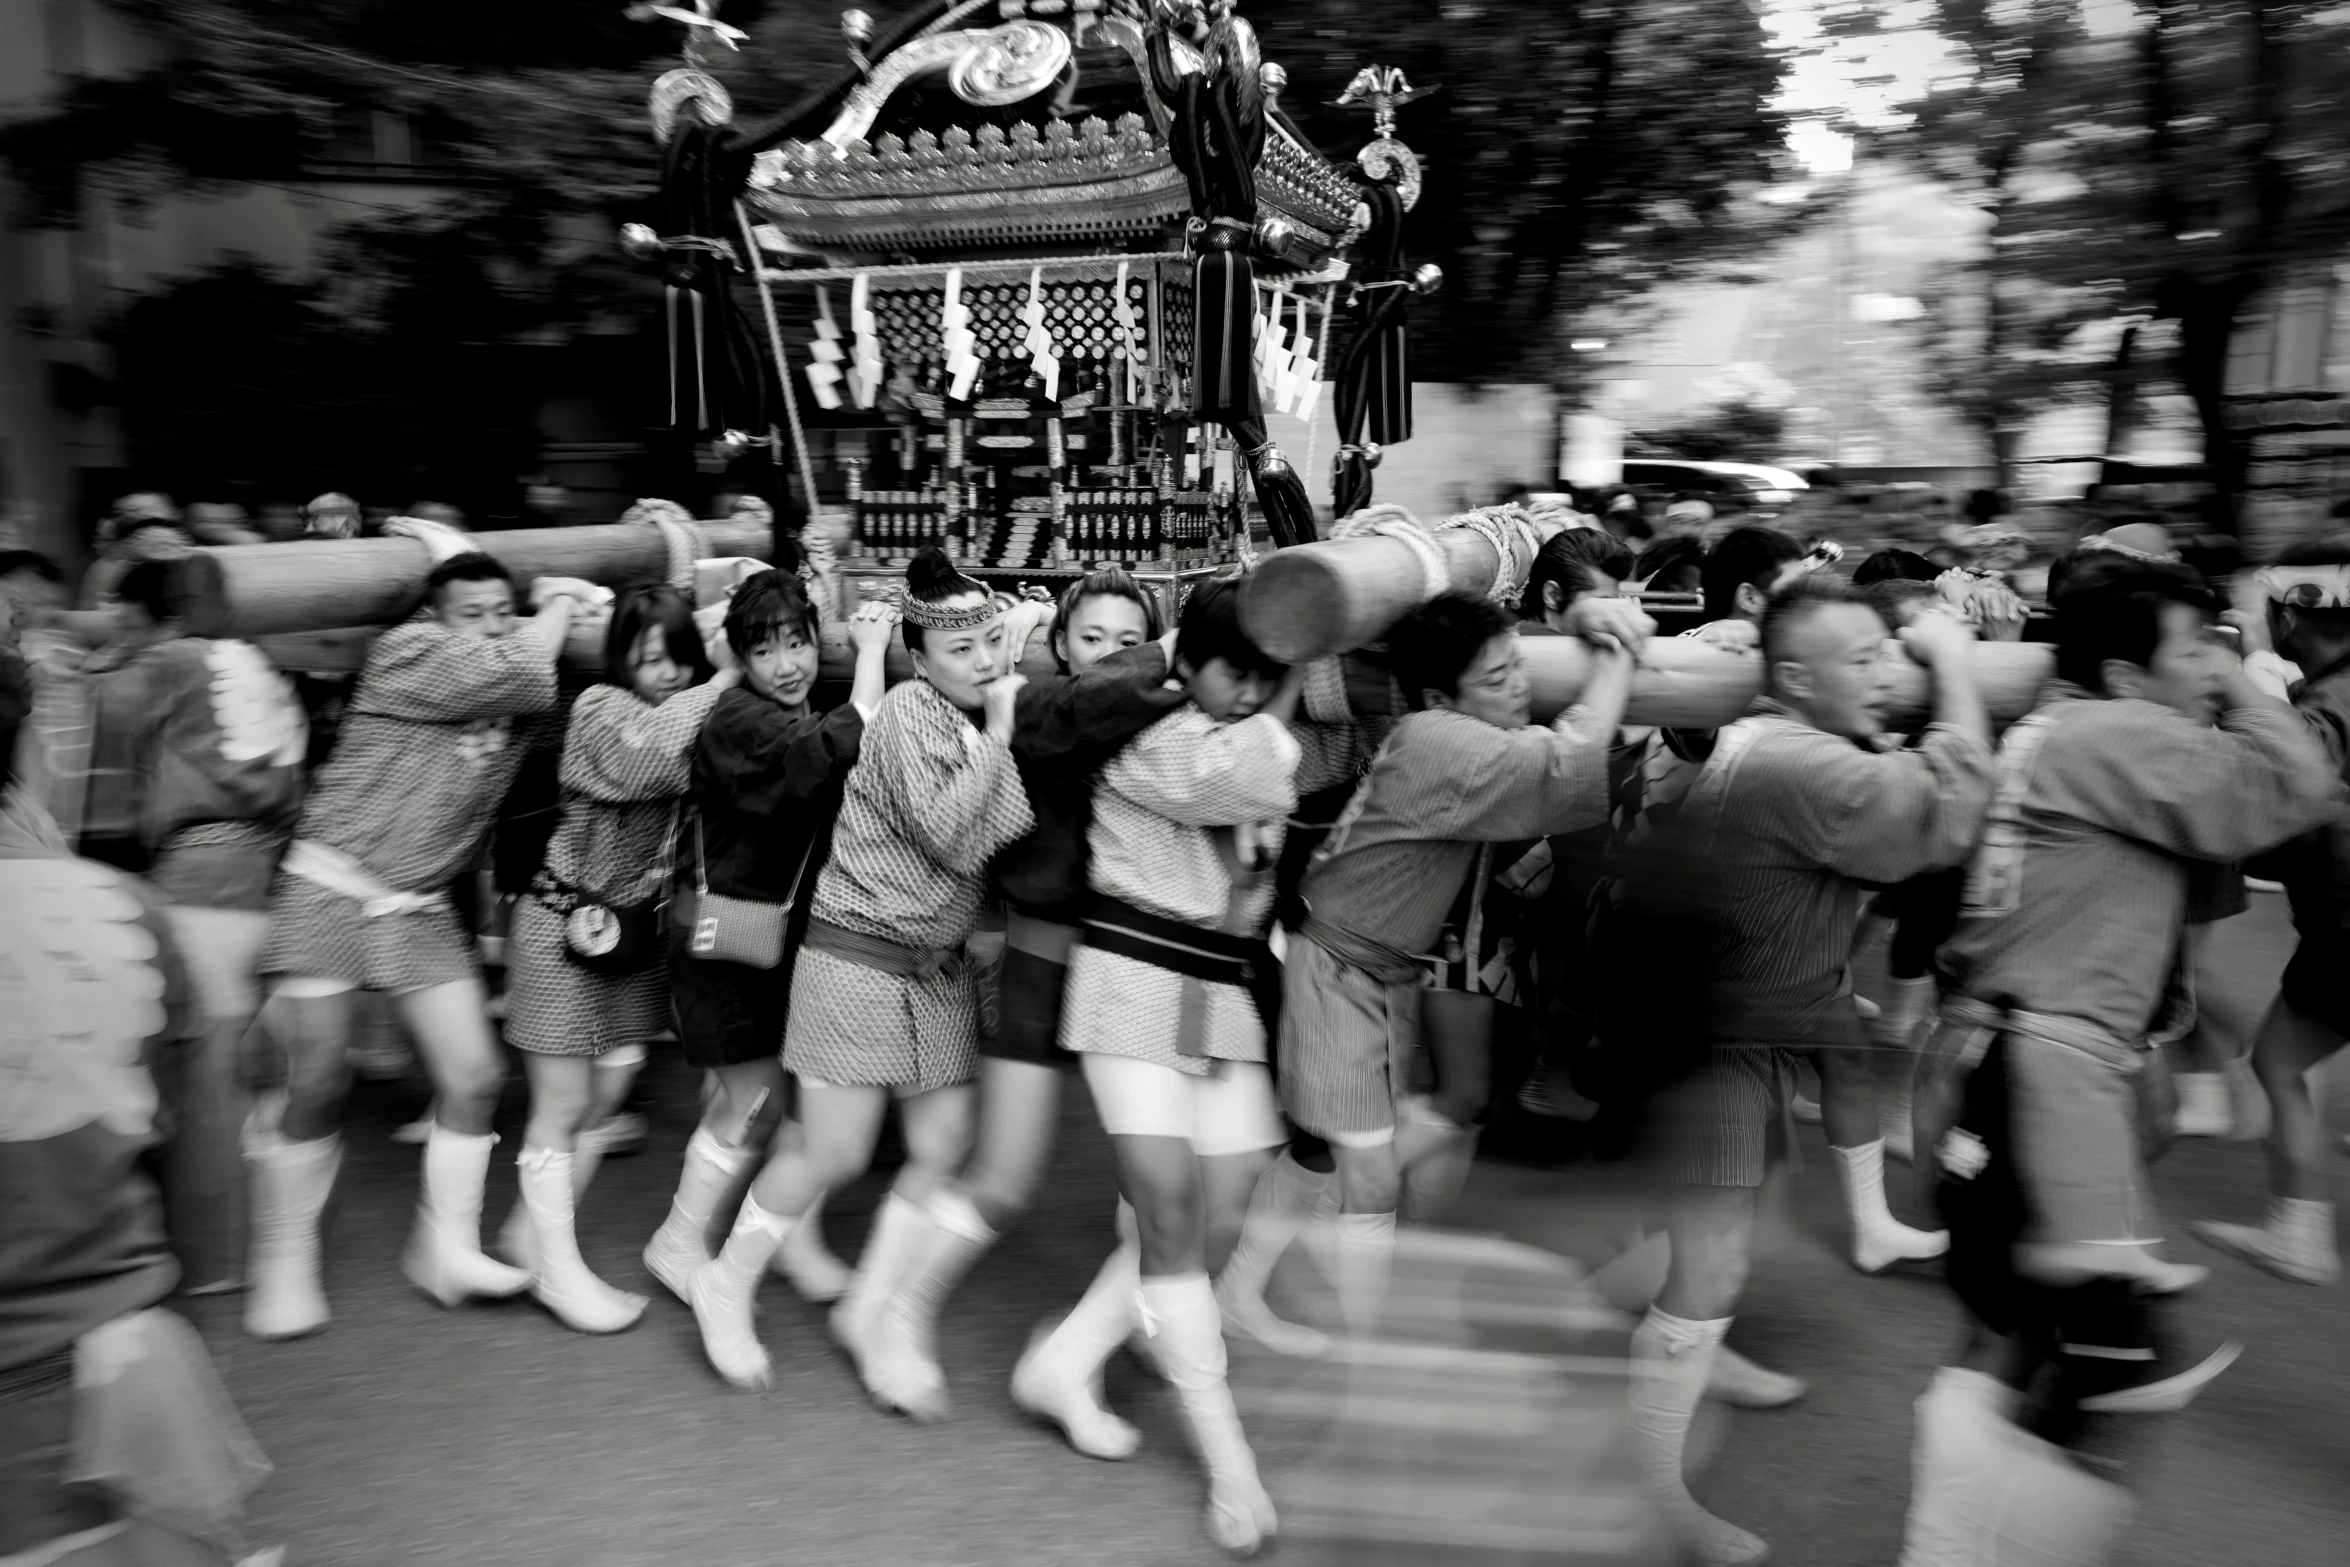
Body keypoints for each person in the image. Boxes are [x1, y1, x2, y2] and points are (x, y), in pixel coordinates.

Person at [1901, 557, 2340, 1565]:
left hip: (2008, 1060)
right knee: (2118, 1368)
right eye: (2192, 650)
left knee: (2012, 1338)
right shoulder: (2117, 730)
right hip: (2033, 1070)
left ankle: (1949, 1545)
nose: (2212, 664)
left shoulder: (2067, 729)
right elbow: (2294, 789)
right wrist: (2247, 685)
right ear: (2122, 671)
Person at [1634, 578, 1994, 1567]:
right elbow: (1945, 809)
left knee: (1725, 1230)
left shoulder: (1771, 734)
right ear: (1792, 676)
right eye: (1863, 660)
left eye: (1892, 653)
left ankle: (1679, 1337)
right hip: (1714, 1040)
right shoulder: (1804, 763)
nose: (1887, 674)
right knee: (1710, 1264)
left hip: (1725, 1021)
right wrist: (1956, 665)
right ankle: (1648, 1486)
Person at [1013, 574, 1361, 1558]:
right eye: (1232, 673)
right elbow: (1265, 767)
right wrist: (1292, 674)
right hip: (1127, 980)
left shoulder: (1219, 728)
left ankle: (1067, 1359)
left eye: (1263, 675)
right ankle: (1229, 1466)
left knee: (1207, 1221)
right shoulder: (1148, 733)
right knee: (1168, 1216)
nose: (1248, 691)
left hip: (1220, 989)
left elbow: (1277, 767)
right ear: (1184, 664)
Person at [685, 548, 1037, 1405]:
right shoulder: (913, 712)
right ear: (920, 658)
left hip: (935, 969)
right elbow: (961, 832)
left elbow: (1012, 819)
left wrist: (992, 739)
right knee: (832, 1152)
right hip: (857, 958)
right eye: (964, 650)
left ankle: (875, 1312)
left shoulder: (960, 713)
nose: (987, 661)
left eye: (996, 641)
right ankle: (723, 1281)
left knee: (942, 1146)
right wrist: (999, 731)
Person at [1276, 590, 1650, 1346]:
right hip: (1337, 964)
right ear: (1443, 696)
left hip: (1375, 968)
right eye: (1497, 677)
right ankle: (1360, 1343)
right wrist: (1617, 657)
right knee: (1371, 1173)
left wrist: (1579, 621)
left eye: (1520, 666)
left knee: (1330, 1158)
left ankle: (1250, 1287)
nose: (1519, 685)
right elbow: (1568, 756)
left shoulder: (1439, 723)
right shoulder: (1441, 738)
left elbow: (1547, 715)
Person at [241, 551, 596, 1339]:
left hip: (419, 902)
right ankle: (286, 1249)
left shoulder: (519, 679)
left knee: (474, 1075)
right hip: (330, 880)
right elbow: (529, 667)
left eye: (506, 609)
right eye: (474, 612)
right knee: (320, 1077)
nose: (495, 624)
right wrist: (561, 609)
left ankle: (447, 1244)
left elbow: (562, 692)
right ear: (435, 618)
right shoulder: (408, 653)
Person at [874, 567, 1185, 1407]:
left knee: (1153, 1182)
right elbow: (1079, 713)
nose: (1112, 656)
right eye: (1092, 638)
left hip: (1138, 962)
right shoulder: (1035, 704)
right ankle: (900, 1313)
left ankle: (1130, 1329)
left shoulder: (1165, 708)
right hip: (1046, 955)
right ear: (1056, 644)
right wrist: (1166, 653)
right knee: (1003, 1177)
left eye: (1129, 640)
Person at [0, 649, 280, 1567]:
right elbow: (203, 1175)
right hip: (109, 1375)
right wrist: (205, 1346)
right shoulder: (124, 912)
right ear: (32, 751)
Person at [483, 586, 735, 1334]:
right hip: (563, 926)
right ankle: (558, 1273)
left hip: (636, 934)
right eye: (646, 656)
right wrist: (720, 679)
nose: (663, 670)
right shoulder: (598, 706)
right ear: (620, 655)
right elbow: (646, 758)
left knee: (613, 1083)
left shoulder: (695, 708)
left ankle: (530, 1234)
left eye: (675, 657)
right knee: (561, 1104)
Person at [640, 569, 893, 1311]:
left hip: (775, 941)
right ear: (741, 659)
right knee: (752, 1101)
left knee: (778, 1099)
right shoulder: (737, 718)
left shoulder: (775, 705)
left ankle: (790, 1242)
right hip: (731, 943)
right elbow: (843, 744)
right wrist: (873, 649)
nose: (788, 664)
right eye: (766, 649)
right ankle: (678, 1241)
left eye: (799, 642)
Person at [81, 558, 307, 1295]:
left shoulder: (169, 660)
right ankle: (271, 1237)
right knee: (252, 1060)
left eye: (117, 605)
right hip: (266, 867)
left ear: (149, 611)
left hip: (203, 872)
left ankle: (219, 1254)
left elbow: (90, 712)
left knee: (204, 1068)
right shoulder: (251, 660)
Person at [2192, 541, 2350, 1283]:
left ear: (2292, 615)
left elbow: (2296, 766)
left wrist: (2238, 677)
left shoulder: (2333, 697)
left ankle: (2300, 1233)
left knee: (2280, 1063)